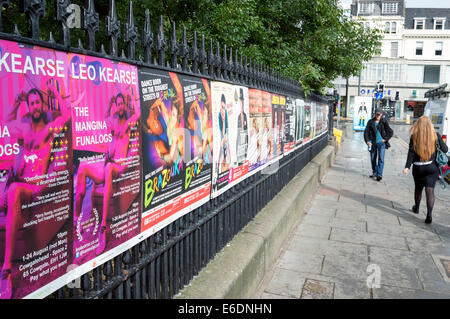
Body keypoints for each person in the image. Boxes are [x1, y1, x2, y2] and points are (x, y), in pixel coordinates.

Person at [0, 82, 72, 299]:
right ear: (29, 107)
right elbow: (6, 121)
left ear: (42, 105)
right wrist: (16, 101)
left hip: (37, 185)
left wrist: (57, 96)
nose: (35, 106)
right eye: (31, 103)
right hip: (21, 182)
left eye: (38, 102)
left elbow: (68, 117)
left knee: (13, 192)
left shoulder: (50, 130)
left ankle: (7, 269)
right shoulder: (22, 130)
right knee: (11, 190)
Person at [74, 93, 140, 256]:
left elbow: (138, 113)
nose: (119, 107)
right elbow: (104, 116)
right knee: (82, 166)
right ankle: (76, 220)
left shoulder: (129, 123)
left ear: (126, 106)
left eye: (121, 104)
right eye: (117, 104)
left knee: (109, 167)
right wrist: (110, 102)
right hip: (108, 164)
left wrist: (131, 101)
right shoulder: (112, 122)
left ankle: (103, 227)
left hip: (118, 166)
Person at [402, 116, 448, 224]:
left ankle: (416, 208)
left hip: (418, 168)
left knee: (418, 189)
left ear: (418, 124)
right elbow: (445, 149)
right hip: (432, 168)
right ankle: (429, 215)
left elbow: (411, 153)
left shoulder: (414, 136)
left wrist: (407, 167)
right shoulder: (436, 136)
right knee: (430, 190)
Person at [364, 107, 393, 181]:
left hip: (381, 144)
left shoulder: (384, 122)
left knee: (381, 158)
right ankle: (374, 172)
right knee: (373, 158)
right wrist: (367, 141)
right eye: (377, 114)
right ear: (375, 114)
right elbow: (366, 132)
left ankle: (379, 174)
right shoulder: (370, 122)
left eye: (379, 115)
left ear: (381, 114)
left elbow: (390, 131)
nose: (378, 116)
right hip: (372, 143)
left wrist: (385, 139)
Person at [236, 88, 248, 166]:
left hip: (244, 144)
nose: (241, 103)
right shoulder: (238, 116)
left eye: (242, 101)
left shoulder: (245, 115)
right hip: (239, 143)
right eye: (240, 101)